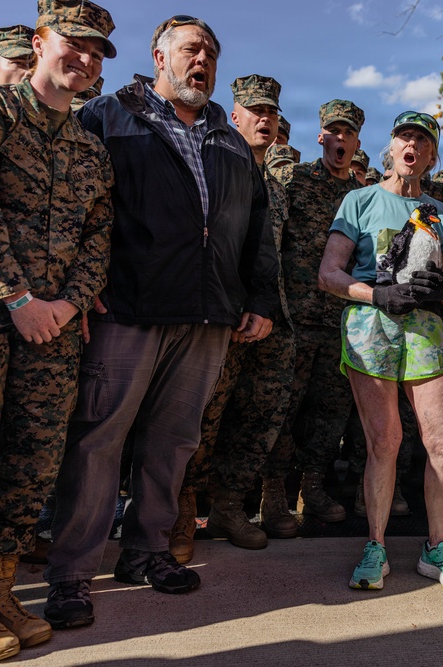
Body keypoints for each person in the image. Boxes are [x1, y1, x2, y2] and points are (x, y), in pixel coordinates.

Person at [43, 14, 280, 629]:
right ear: (158, 56)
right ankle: (71, 573)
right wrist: (81, 284)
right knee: (99, 440)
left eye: (210, 53)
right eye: (190, 49)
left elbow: (257, 228)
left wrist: (258, 297)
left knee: (174, 442)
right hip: (128, 306)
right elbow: (74, 205)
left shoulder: (229, 138)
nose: (201, 61)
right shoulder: (109, 116)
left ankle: (146, 553)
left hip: (207, 314)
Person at [0, 1, 115, 660]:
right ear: (43, 40)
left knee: (33, 455)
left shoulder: (88, 145)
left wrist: (68, 305)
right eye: (73, 43)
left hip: (53, 327)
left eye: (97, 50)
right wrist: (19, 297)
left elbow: (99, 238)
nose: (83, 57)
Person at [319, 110, 443, 592]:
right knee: (384, 442)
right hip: (372, 327)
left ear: (431, 156)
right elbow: (329, 274)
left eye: (422, 140)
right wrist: (375, 294)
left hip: (424, 331)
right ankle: (376, 547)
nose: (412, 146)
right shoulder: (360, 200)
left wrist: (439, 291)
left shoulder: (439, 212)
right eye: (405, 137)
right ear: (392, 148)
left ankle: (437, 548)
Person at [170, 74, 296, 560]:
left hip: (270, 322)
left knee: (260, 419)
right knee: (200, 418)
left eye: (272, 113)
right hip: (219, 318)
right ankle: (182, 508)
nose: (265, 119)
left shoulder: (279, 185)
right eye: (255, 111)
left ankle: (227, 505)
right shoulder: (212, 167)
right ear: (234, 115)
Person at [264, 100, 365, 527]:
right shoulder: (293, 179)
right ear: (320, 135)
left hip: (340, 324)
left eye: (348, 134)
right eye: (333, 132)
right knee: (281, 408)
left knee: (330, 412)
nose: (339, 140)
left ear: (357, 141)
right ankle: (273, 492)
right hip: (294, 318)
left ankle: (313, 488)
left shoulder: (362, 197)